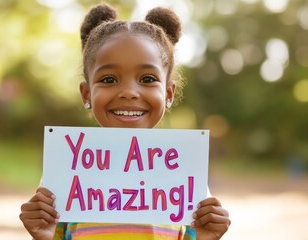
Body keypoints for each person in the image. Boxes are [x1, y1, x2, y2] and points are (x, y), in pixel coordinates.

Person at [20, 3, 230, 240]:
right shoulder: (65, 173)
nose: (129, 92)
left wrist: (206, 237)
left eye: (148, 78)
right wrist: (42, 235)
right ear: (86, 94)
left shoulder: (186, 176)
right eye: (109, 79)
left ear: (168, 94)